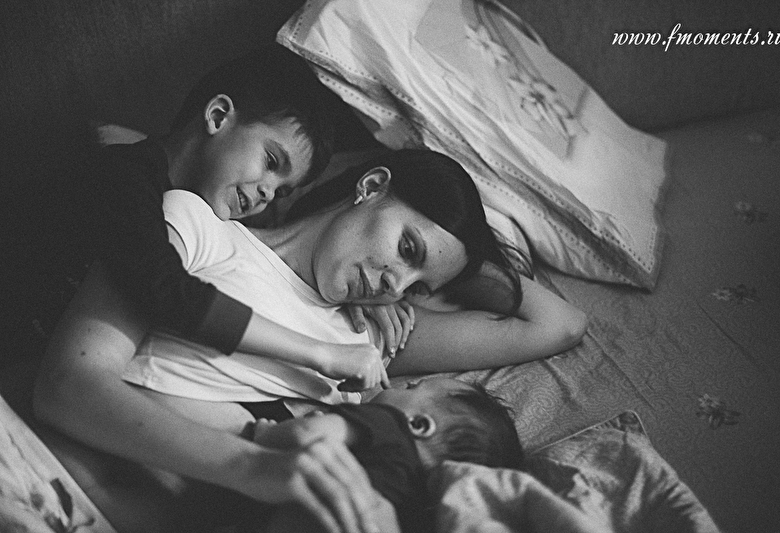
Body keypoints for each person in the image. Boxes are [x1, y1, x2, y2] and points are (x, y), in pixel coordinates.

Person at [34, 149, 588, 533]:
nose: (397, 284)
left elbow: (559, 324)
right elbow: (66, 387)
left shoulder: (371, 342)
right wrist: (252, 469)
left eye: (418, 287)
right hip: (48, 473)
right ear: (371, 187)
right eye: (408, 249)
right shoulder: (199, 228)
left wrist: (458, 263)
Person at [78, 42, 409, 392]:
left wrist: (363, 296)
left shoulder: (210, 218)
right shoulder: (125, 177)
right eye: (271, 162)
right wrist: (321, 353)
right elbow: (165, 289)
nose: (267, 193)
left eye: (281, 191)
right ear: (218, 116)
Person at [248, 377, 524, 533]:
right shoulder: (414, 507)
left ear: (418, 424)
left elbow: (306, 434)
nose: (402, 384)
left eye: (412, 387)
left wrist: (266, 434)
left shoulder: (389, 425)